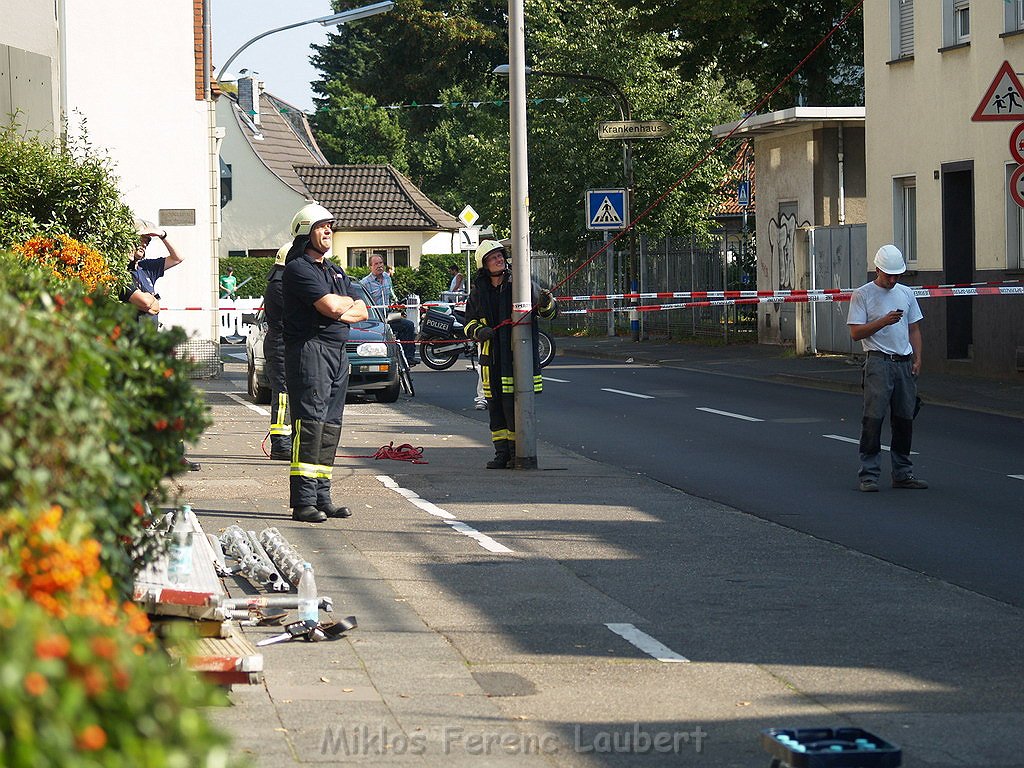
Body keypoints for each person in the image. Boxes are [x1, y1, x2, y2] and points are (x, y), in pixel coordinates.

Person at [282, 203, 368, 523]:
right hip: (310, 350)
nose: (329, 230)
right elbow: (333, 306)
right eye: (321, 226)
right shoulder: (299, 268)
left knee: (331, 426)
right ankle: (303, 501)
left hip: (337, 352)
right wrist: (340, 307)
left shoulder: (334, 270)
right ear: (306, 232)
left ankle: (322, 496)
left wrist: (340, 307)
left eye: (331, 225)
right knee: (310, 424)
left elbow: (362, 310)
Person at [463, 240, 557, 468]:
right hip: (492, 358)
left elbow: (550, 314)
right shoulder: (477, 293)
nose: (499, 259)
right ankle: (501, 453)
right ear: (484, 265)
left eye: (500, 256)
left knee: (515, 405)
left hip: (517, 358)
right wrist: (479, 331)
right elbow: (468, 324)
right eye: (493, 257)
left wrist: (546, 302)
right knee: (495, 407)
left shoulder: (521, 285)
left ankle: (518, 451)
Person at [847, 244, 927, 492]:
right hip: (878, 362)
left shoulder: (906, 293)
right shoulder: (863, 294)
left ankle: (902, 473)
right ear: (877, 269)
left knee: (904, 420)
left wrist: (918, 358)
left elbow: (914, 328)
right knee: (873, 419)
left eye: (897, 275)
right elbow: (855, 333)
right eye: (889, 275)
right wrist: (883, 321)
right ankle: (868, 474)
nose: (893, 280)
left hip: (904, 363)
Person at [122, 220, 184, 326]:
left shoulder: (146, 267)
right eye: (141, 240)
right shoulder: (122, 271)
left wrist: (162, 235)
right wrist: (153, 300)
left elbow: (177, 258)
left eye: (147, 241)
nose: (144, 244)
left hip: (149, 336)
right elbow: (146, 303)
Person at [360, 254, 418, 367]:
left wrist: (396, 303)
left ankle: (408, 358)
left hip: (388, 316)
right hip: (375, 320)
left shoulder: (387, 277)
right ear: (370, 267)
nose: (379, 266)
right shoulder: (365, 283)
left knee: (408, 326)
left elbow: (390, 293)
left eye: (381, 263)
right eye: (376, 264)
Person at [263, 245, 291, 461]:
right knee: (282, 396)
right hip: (281, 345)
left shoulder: (279, 281)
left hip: (282, 343)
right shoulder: (281, 285)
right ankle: (281, 445)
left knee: (286, 395)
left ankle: (286, 442)